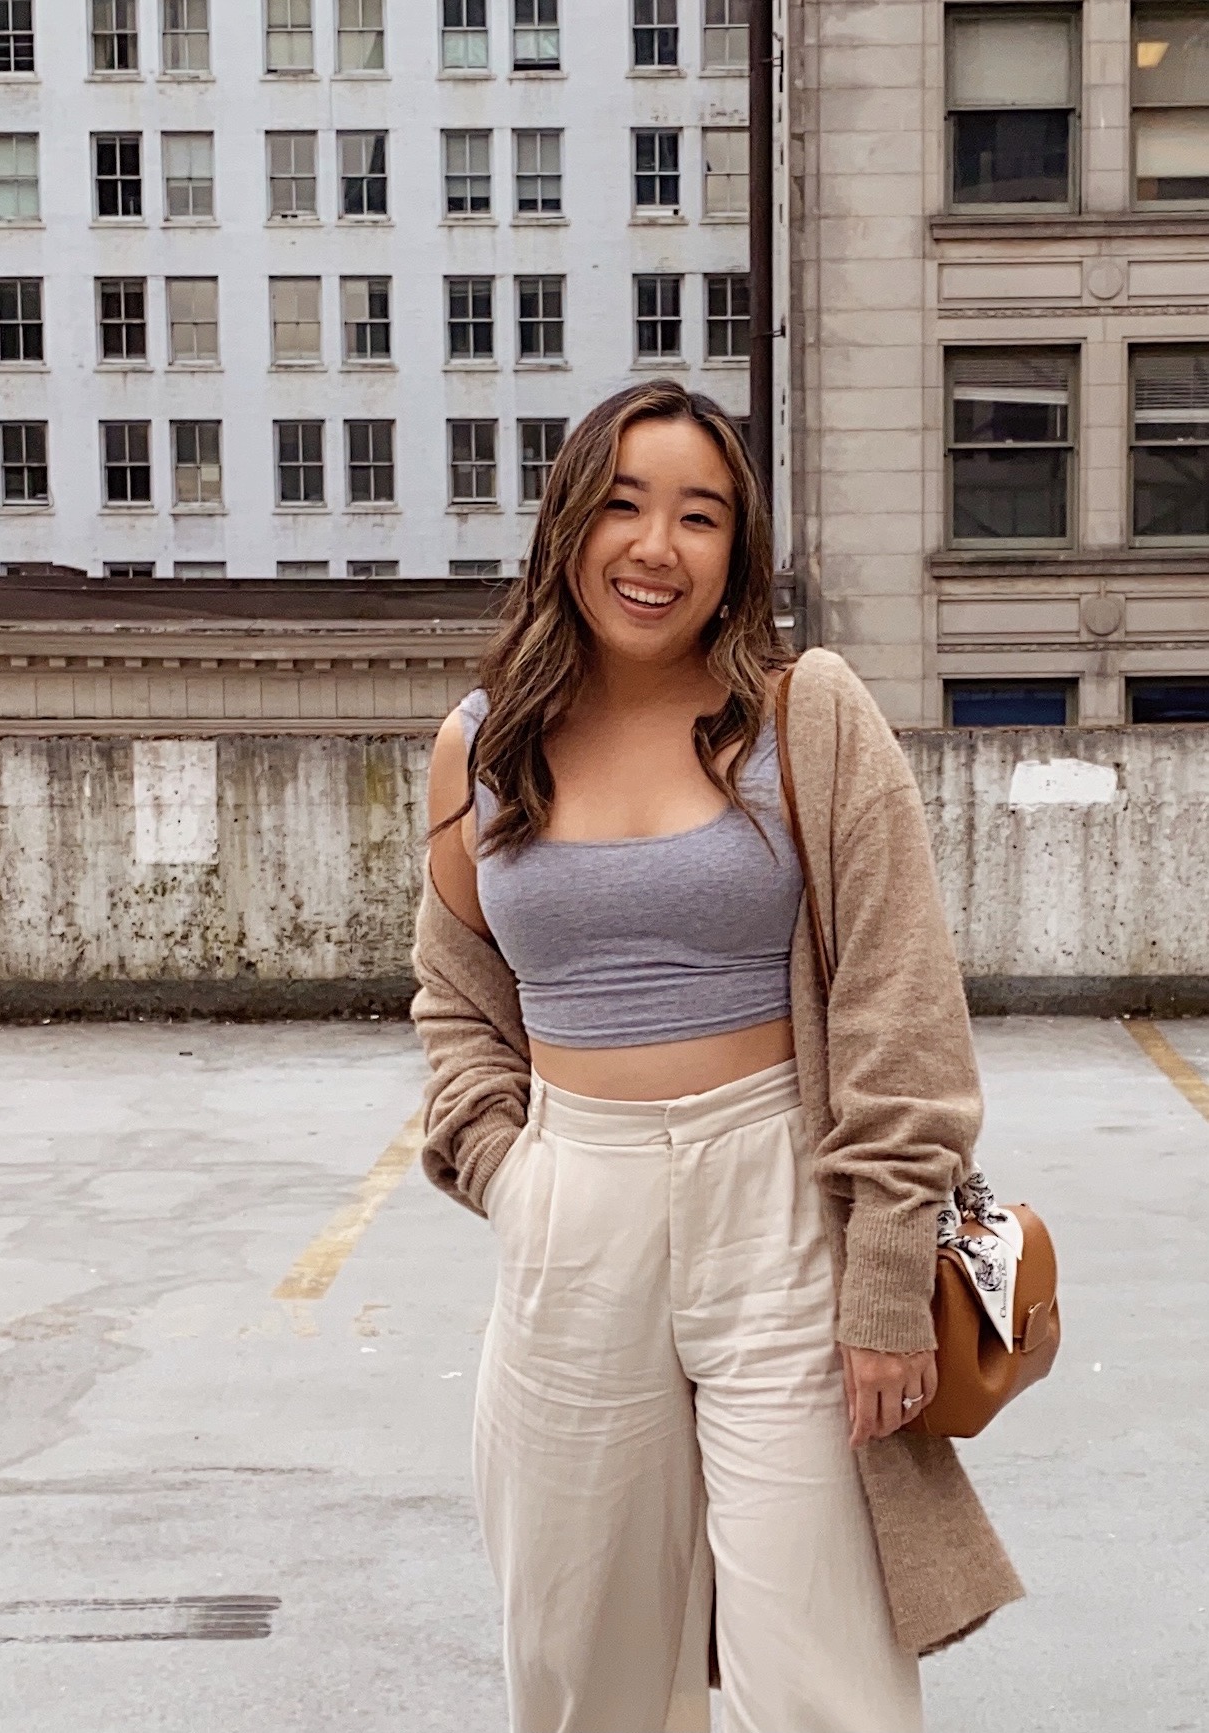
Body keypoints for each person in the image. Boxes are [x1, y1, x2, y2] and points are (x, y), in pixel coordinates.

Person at [411, 379, 1021, 1733]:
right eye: (622, 504)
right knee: (582, 1666)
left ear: (736, 552)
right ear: (566, 523)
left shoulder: (807, 714)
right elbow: (454, 996)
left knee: (826, 1676)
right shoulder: (482, 744)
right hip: (574, 1206)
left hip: (779, 1199)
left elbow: (898, 997)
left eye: (700, 515)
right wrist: (512, 1173)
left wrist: (880, 1281)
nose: (655, 547)